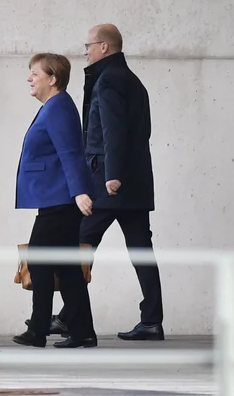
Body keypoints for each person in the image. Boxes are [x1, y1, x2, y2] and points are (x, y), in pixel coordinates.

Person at [50, 24, 164, 341]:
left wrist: (113, 174)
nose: (85, 51)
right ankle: (152, 321)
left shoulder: (109, 80)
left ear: (104, 47)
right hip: (136, 183)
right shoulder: (132, 81)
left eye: (88, 45)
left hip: (109, 182)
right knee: (141, 250)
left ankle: (67, 317)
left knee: (79, 245)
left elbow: (114, 130)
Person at [12, 53, 97, 349]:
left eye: (35, 73)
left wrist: (78, 192)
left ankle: (38, 330)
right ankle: (83, 331)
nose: (29, 78)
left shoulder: (59, 107)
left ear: (53, 79)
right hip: (56, 198)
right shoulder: (54, 106)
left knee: (39, 259)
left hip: (61, 198)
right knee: (67, 267)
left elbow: (71, 152)